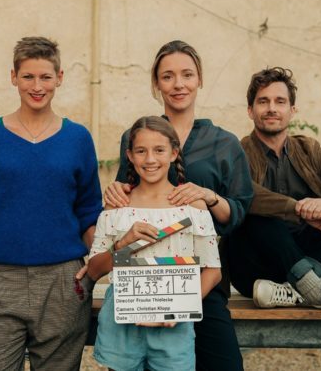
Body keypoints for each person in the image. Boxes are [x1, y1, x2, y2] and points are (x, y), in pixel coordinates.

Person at [103, 40, 253, 371]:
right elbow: (126, 196)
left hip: (202, 277)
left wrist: (210, 197)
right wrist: (114, 190)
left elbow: (238, 213)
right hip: (143, 282)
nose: (178, 84)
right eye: (168, 76)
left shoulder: (223, 143)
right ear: (157, 84)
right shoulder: (138, 134)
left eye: (187, 74)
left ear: (199, 79)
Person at [0, 37, 103, 371]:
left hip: (63, 279)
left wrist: (95, 269)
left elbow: (88, 212)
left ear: (60, 77)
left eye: (45, 77)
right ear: (13, 77)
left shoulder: (78, 138)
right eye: (28, 77)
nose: (37, 86)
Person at [227, 67, 321, 311]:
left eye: (280, 101)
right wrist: (300, 209)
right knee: (256, 208)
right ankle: (319, 294)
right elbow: (243, 194)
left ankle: (299, 288)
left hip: (305, 259)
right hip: (254, 269)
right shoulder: (236, 153)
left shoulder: (309, 150)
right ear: (250, 110)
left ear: (292, 110)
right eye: (263, 101)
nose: (271, 108)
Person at [88, 116, 222, 371]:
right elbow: (94, 270)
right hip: (122, 326)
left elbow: (213, 271)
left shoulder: (193, 206)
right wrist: (124, 244)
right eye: (141, 151)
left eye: (159, 150)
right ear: (130, 155)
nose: (150, 160)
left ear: (173, 153)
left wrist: (179, 308)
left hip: (175, 326)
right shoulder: (117, 206)